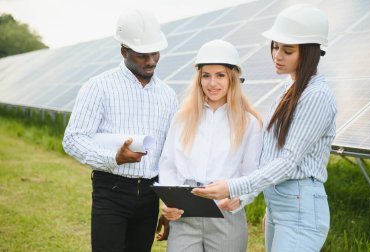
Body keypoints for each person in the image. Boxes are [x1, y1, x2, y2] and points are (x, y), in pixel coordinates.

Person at [193, 4, 337, 252]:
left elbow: (288, 161)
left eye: (287, 50)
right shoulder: (288, 90)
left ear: (310, 52)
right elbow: (269, 155)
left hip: (300, 208)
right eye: (275, 46)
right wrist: (249, 197)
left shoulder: (316, 96)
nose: (277, 55)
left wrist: (233, 186)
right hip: (282, 206)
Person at [62, 9, 178, 252]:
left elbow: (171, 154)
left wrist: (169, 203)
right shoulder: (99, 87)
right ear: (124, 51)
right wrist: (114, 158)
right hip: (111, 192)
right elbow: (73, 139)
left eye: (155, 52)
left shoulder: (168, 95)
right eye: (142, 54)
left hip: (150, 195)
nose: (151, 60)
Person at [156, 39, 263, 252]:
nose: (212, 83)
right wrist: (169, 202)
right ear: (199, 78)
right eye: (206, 75)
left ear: (232, 77)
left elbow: (252, 172)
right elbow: (168, 166)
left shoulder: (249, 123)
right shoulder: (181, 118)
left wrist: (239, 198)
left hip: (226, 215)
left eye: (220, 75)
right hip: (185, 214)